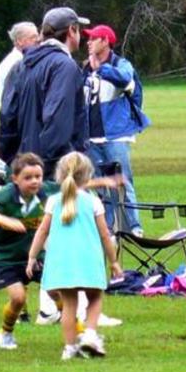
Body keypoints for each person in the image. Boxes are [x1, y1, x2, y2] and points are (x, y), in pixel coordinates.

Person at [27, 153, 121, 360]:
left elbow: (42, 231)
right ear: (87, 176)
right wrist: (113, 261)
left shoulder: (53, 201)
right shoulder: (93, 202)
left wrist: (32, 256)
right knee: (94, 297)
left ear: (60, 175)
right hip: (88, 259)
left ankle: (69, 348)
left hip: (62, 261)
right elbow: (105, 234)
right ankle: (90, 334)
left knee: (69, 306)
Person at [0, 7, 89, 179]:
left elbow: (7, 117)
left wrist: (15, 163)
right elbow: (57, 120)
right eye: (79, 30)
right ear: (72, 30)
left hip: (24, 170)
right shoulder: (64, 66)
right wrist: (48, 167)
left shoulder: (21, 65)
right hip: (52, 170)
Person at [0, 153, 59, 351]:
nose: (35, 181)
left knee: (57, 290)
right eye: (28, 177)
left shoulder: (45, 191)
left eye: (38, 176)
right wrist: (4, 220)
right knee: (18, 298)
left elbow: (73, 188)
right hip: (6, 255)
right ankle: (5, 333)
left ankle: (79, 332)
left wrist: (103, 182)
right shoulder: (7, 194)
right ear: (15, 178)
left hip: (34, 253)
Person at [81, 24, 150, 235]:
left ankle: (134, 228)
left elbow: (125, 79)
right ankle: (109, 229)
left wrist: (100, 69)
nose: (88, 42)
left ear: (105, 41)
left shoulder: (121, 64)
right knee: (101, 186)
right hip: (92, 136)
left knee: (123, 181)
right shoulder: (86, 68)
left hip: (116, 134)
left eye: (93, 38)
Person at [0, 22, 39, 114]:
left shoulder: (27, 60)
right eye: (33, 37)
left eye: (37, 36)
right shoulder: (12, 63)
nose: (38, 40)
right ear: (19, 41)